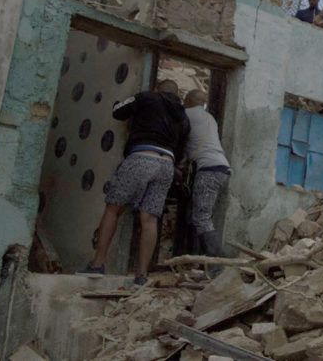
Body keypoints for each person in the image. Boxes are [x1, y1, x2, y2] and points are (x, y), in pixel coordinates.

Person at [79, 79, 191, 286]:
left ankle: (97, 264)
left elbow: (119, 112)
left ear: (158, 89)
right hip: (166, 165)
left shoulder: (147, 97)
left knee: (114, 209)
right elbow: (182, 149)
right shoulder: (183, 116)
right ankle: (141, 275)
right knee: (149, 219)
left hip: (141, 157)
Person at [183, 89, 230, 257]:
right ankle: (198, 260)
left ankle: (218, 263)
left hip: (208, 169)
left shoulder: (186, 113)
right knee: (199, 215)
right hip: (220, 168)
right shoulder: (210, 118)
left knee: (201, 218)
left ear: (187, 100)